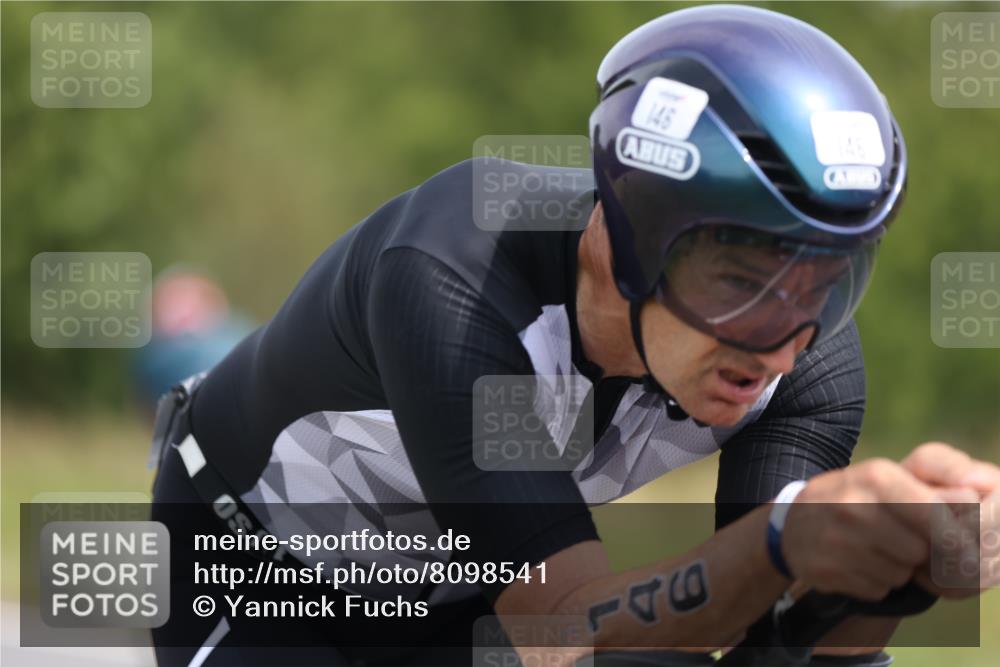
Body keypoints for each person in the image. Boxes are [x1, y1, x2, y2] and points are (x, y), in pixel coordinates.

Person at [149, 5, 998, 666]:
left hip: (462, 592)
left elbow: (777, 638)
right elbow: (564, 625)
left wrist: (904, 564)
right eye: (740, 283)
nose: (779, 345)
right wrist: (783, 532)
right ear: (635, 236)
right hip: (256, 576)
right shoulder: (454, 273)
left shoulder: (811, 356)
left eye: (824, 281)